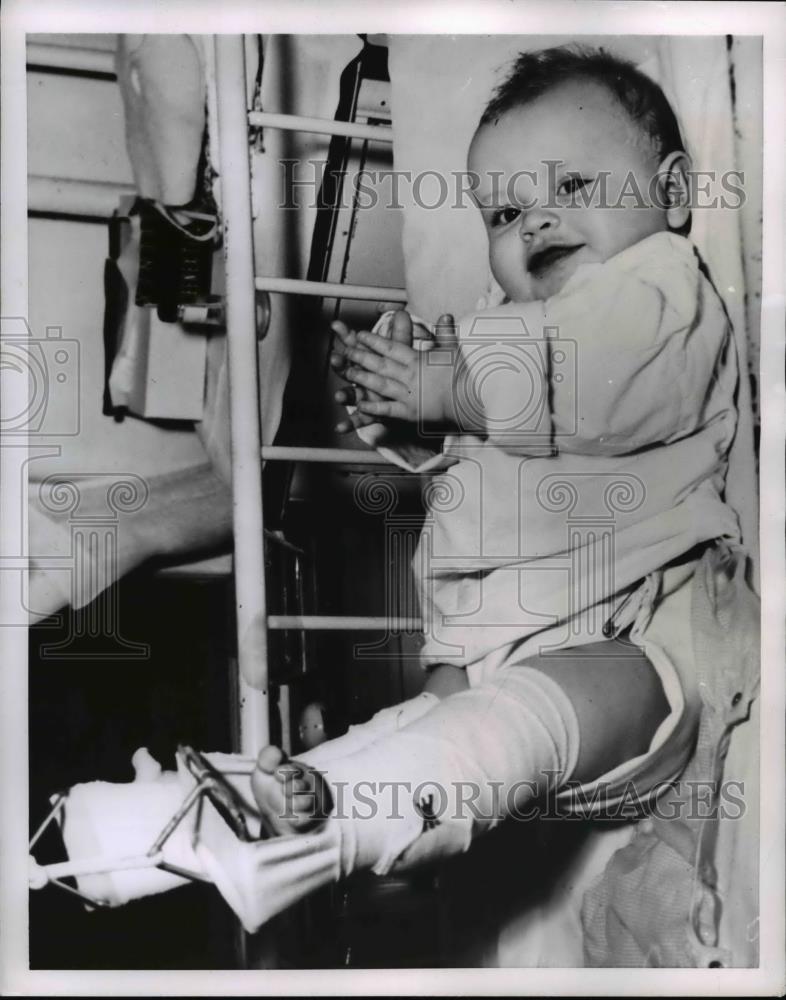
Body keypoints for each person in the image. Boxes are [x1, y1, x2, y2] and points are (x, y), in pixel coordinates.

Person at [248, 46, 744, 876]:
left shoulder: (661, 290)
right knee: (423, 729)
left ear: (672, 192)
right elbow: (468, 458)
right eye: (505, 216)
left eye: (572, 189)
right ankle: (313, 798)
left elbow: (600, 386)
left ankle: (370, 821)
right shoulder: (500, 321)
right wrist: (404, 403)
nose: (536, 223)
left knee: (548, 711)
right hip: (481, 649)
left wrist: (448, 389)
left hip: (631, 631)